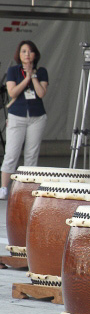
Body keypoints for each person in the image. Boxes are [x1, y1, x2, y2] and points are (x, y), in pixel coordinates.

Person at [0, 41, 49, 199]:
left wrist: (32, 76)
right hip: (17, 116)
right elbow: (13, 92)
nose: (27, 54)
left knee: (31, 154)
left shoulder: (41, 71)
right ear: (19, 55)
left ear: (35, 54)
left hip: (37, 117)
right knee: (11, 153)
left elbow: (41, 93)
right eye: (23, 51)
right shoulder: (13, 71)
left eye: (30, 51)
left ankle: (27, 189)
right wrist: (26, 78)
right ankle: (3, 188)